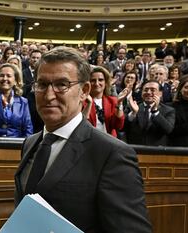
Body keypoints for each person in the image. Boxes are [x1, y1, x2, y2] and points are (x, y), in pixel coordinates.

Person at [14, 46, 151, 232]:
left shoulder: (112, 153)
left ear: (84, 91)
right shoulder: (30, 143)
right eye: (42, 84)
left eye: (62, 84)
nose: (48, 95)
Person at [124, 80, 175, 146]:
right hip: (134, 149)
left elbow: (168, 130)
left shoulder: (168, 110)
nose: (148, 92)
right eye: (145, 90)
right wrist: (133, 113)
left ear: (160, 93)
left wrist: (155, 111)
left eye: (153, 90)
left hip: (157, 151)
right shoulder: (132, 106)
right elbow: (123, 127)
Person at [82, 66, 124, 137]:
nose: (97, 83)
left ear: (106, 82)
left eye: (100, 80)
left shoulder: (113, 101)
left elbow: (118, 126)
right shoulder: (82, 101)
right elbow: (81, 125)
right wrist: (89, 104)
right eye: (93, 80)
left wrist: (119, 104)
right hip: (88, 141)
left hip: (109, 142)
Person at [169, 76, 188, 146]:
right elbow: (170, 129)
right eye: (186, 87)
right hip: (178, 148)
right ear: (180, 89)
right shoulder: (171, 107)